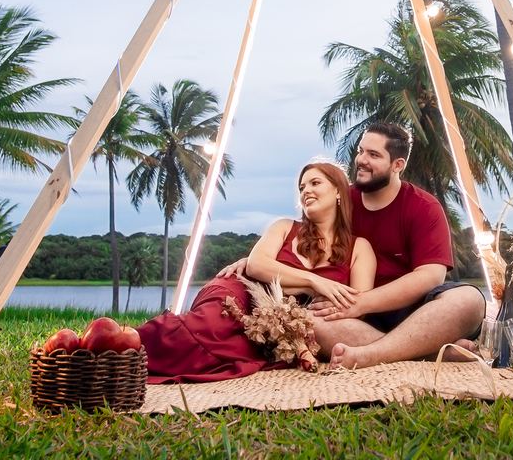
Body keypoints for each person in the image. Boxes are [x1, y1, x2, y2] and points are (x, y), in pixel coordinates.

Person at [221, 123, 486, 370]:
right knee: (310, 321)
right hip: (356, 316)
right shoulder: (341, 199)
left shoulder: (423, 207)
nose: (361, 160)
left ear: (398, 165)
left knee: (469, 300)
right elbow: (300, 234)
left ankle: (371, 355)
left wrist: (362, 302)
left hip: (415, 311)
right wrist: (253, 260)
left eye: (373, 154)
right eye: (360, 151)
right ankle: (426, 352)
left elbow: (430, 276)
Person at [138, 160, 375, 383]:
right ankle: (125, 347)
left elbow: (358, 306)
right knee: (212, 324)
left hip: (280, 322)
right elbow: (256, 266)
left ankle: (134, 351)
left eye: (315, 183)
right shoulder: (285, 227)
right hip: (244, 292)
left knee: (243, 347)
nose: (305, 191)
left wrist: (290, 286)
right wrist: (312, 283)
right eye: (302, 187)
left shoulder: (359, 247)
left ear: (338, 191)